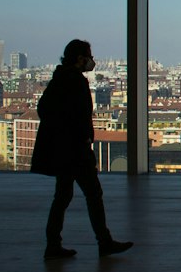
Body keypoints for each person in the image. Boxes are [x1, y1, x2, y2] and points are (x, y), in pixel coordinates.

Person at [31, 39, 133, 260]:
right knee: (93, 194)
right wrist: (83, 140)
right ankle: (103, 242)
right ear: (80, 59)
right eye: (89, 56)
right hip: (76, 151)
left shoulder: (59, 79)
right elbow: (80, 116)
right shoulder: (75, 81)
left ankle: (53, 244)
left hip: (63, 150)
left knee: (63, 196)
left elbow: (44, 110)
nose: (92, 61)